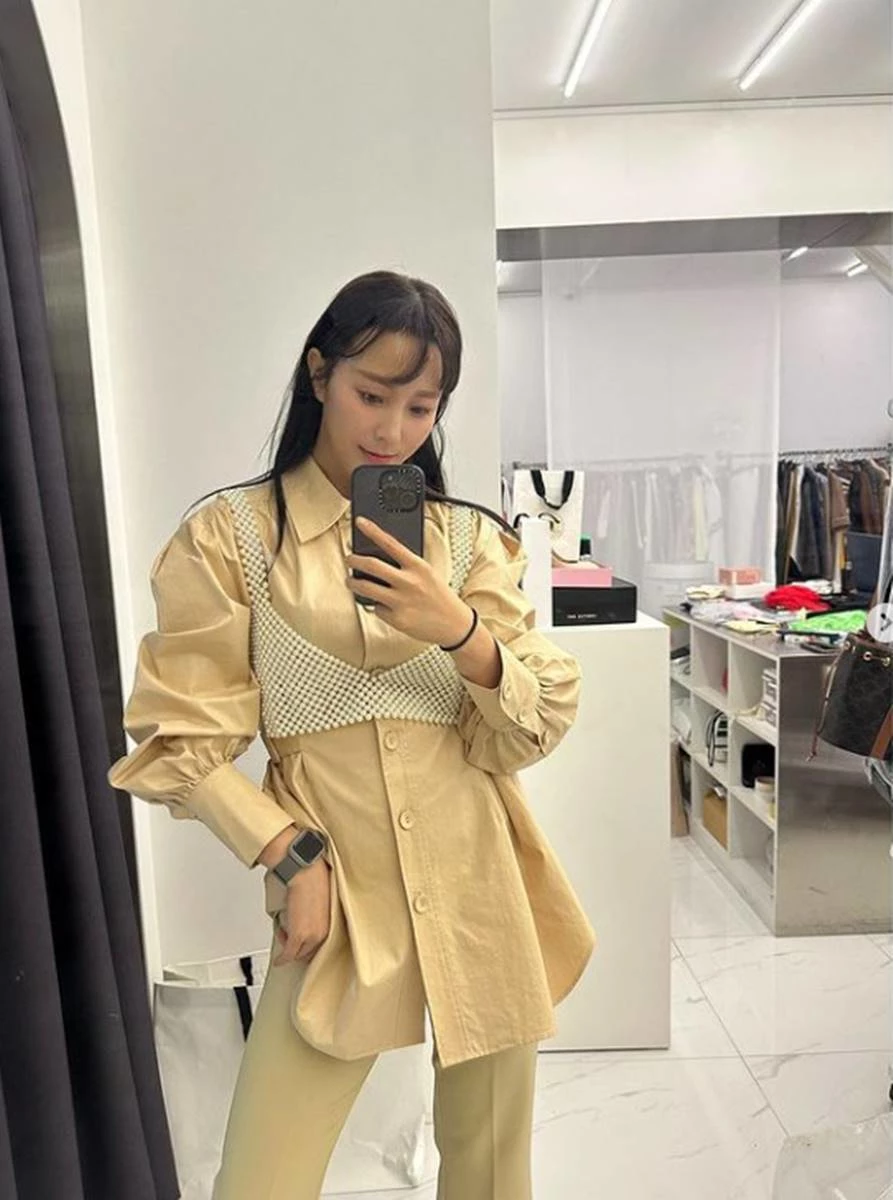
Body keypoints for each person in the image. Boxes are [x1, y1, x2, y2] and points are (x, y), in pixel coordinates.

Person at [109, 270, 596, 1200]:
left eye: (421, 406)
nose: (392, 430)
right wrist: (288, 856)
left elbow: (532, 724)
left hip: (479, 878)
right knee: (260, 1179)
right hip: (337, 888)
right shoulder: (232, 538)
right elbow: (179, 738)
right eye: (373, 395)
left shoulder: (467, 542)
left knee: (493, 1172)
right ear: (319, 373)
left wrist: (458, 630)